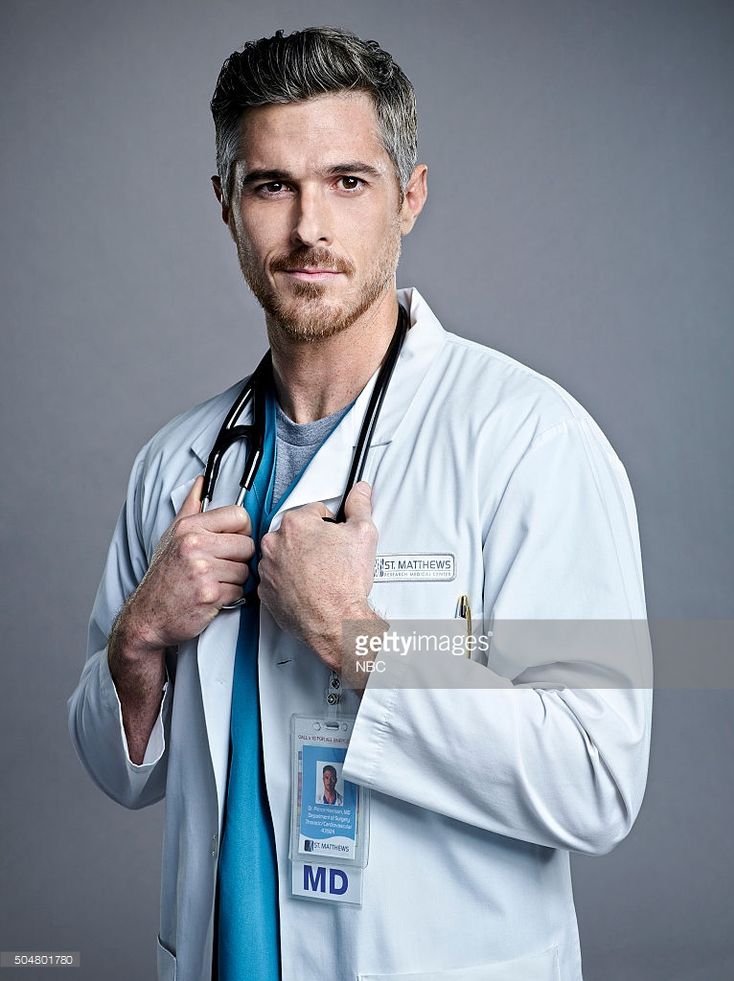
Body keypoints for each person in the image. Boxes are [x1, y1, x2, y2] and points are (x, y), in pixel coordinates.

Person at [68, 26, 652, 981]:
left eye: (348, 181)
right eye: (271, 186)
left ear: (409, 198)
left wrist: (356, 635)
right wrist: (137, 641)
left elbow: (598, 778)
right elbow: (117, 768)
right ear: (225, 206)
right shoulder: (177, 465)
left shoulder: (529, 442)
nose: (308, 228)